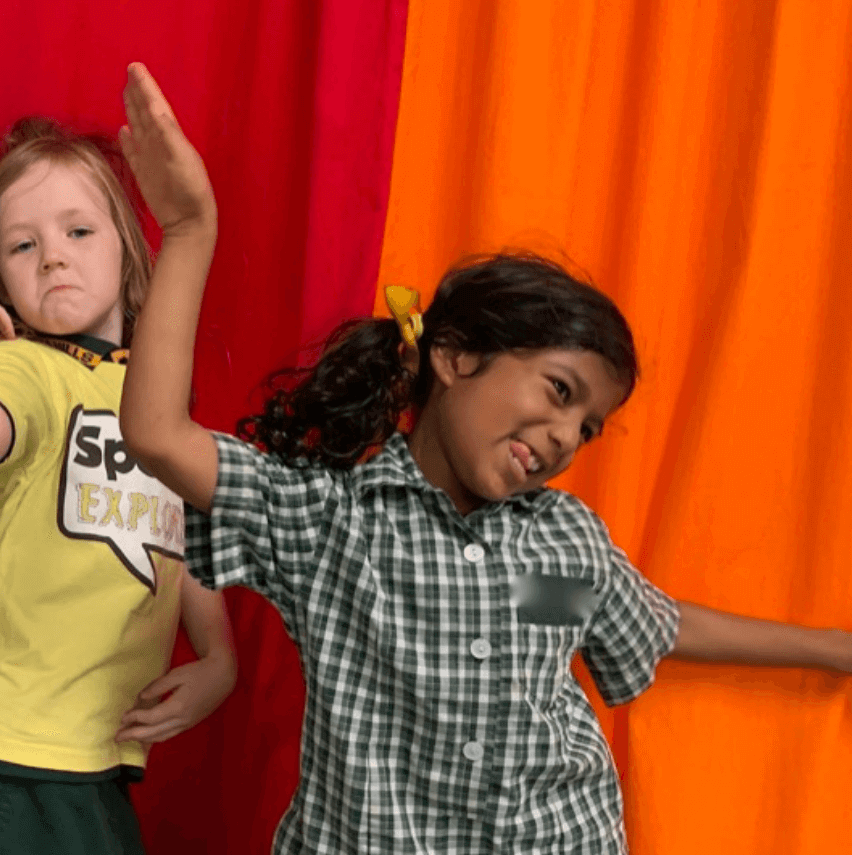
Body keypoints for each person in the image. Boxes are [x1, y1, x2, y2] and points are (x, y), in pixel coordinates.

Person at [114, 63, 852, 853]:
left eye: (590, 427)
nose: (570, 436)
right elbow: (158, 433)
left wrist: (832, 648)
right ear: (456, 359)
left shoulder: (558, 549)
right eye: (561, 391)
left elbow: (652, 623)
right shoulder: (333, 526)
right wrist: (191, 231)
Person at [0, 117, 237, 854]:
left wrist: (216, 656)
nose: (53, 257)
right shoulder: (25, 370)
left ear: (128, 249)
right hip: (14, 746)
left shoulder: (149, 391)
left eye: (79, 231)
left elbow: (176, 530)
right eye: (23, 245)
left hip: (93, 751)